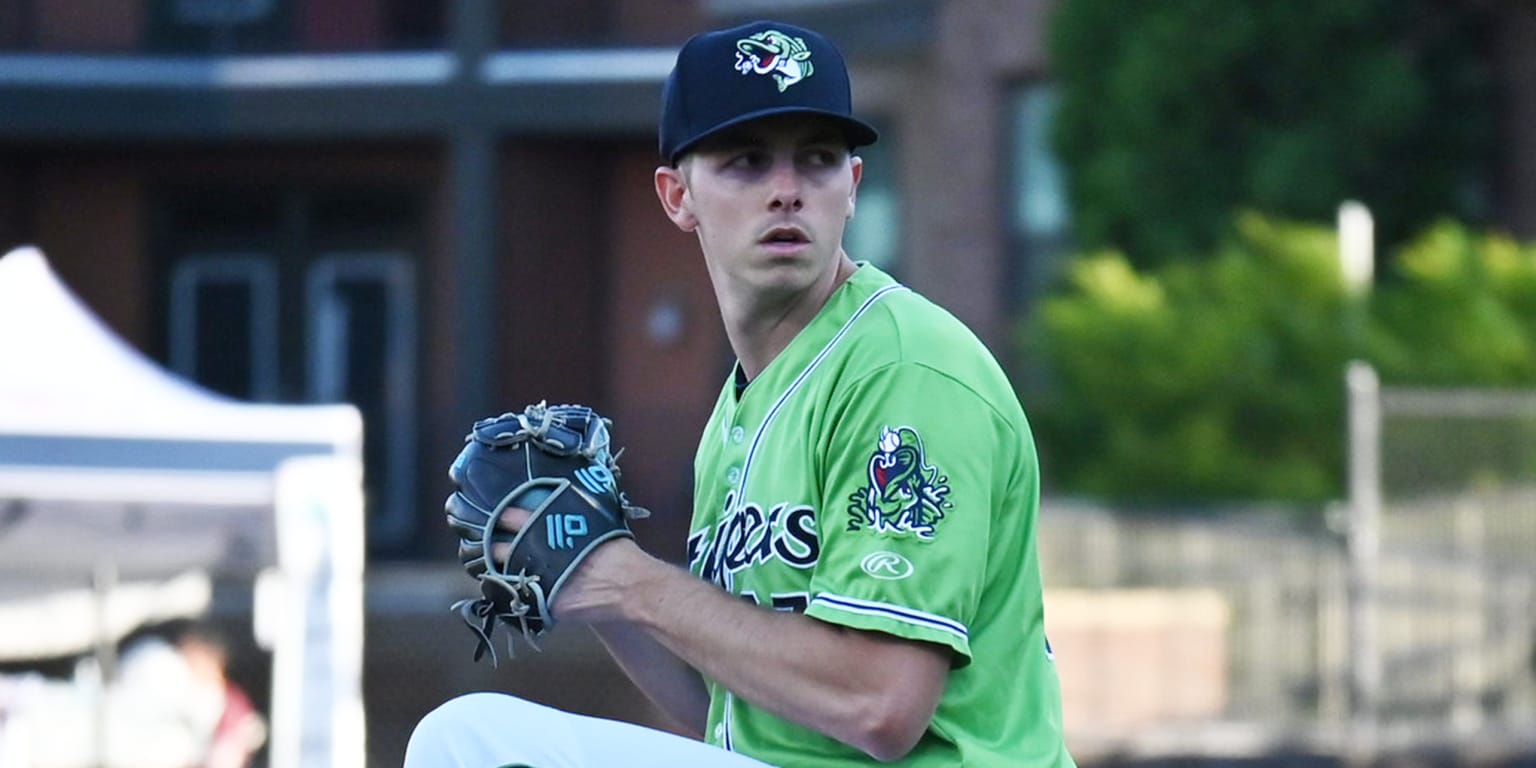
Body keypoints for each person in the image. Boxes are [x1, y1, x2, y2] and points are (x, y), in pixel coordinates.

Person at [406, 18, 1074, 768]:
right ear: (676, 195)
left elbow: (882, 705)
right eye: (747, 162)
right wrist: (590, 579)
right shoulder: (743, 404)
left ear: (851, 188)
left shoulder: (903, 370)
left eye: (816, 161)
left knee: (470, 742)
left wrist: (633, 584)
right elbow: (724, 710)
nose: (786, 191)